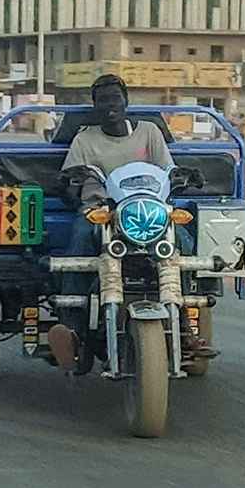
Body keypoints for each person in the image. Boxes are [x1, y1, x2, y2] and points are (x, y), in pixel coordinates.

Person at [46, 73, 175, 371]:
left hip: (145, 212)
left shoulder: (150, 132)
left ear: (126, 101)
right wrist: (67, 182)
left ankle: (187, 325)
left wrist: (182, 177)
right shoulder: (84, 139)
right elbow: (68, 180)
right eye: (102, 100)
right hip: (100, 212)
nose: (109, 105)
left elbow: (168, 171)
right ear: (94, 106)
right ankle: (72, 329)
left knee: (182, 244)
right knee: (79, 242)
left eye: (114, 98)